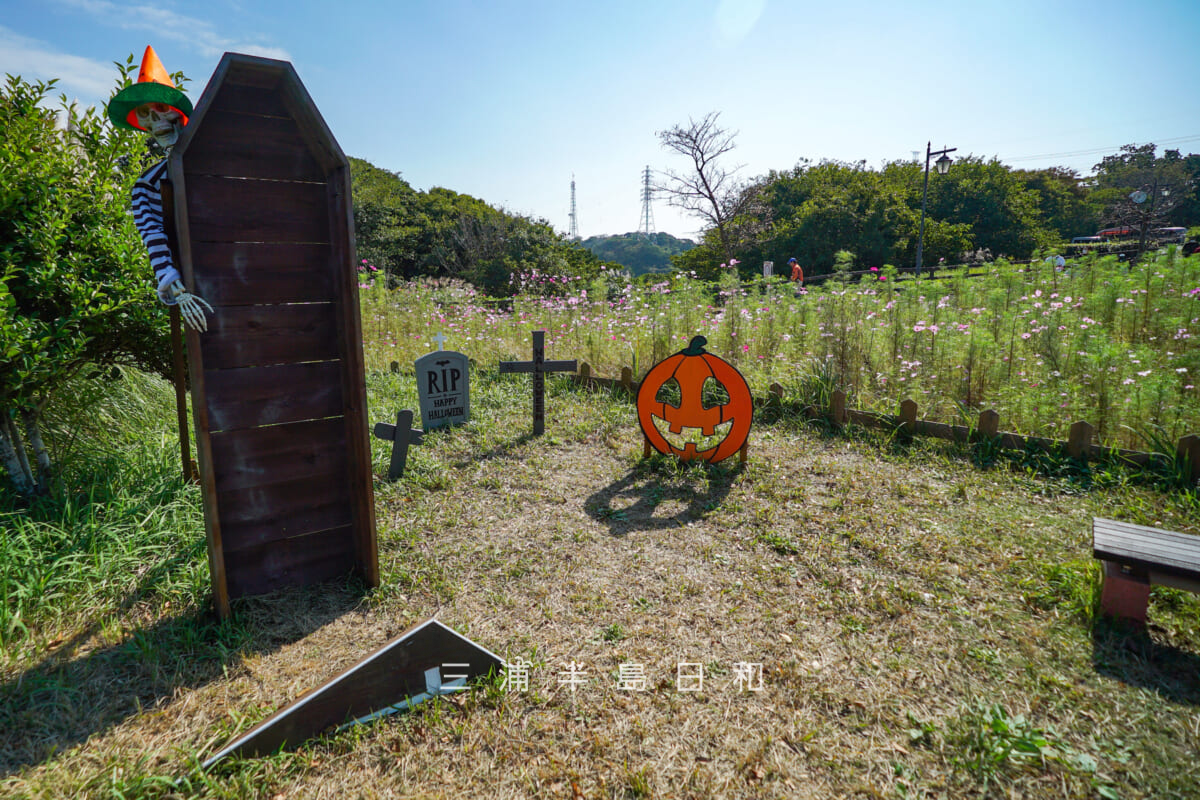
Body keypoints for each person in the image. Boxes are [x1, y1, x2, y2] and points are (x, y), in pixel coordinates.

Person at [107, 46, 212, 332]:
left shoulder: (217, 163)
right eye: (145, 114)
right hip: (201, 287)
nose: (156, 122)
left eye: (161, 110)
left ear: (178, 114)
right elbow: (152, 231)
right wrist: (172, 282)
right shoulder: (147, 185)